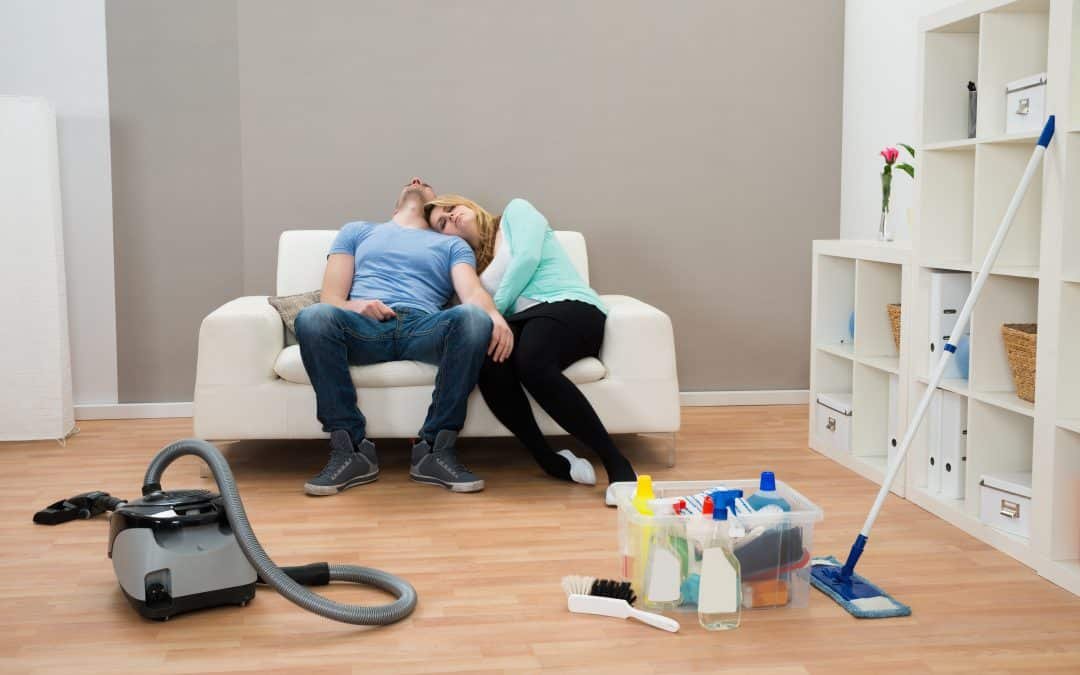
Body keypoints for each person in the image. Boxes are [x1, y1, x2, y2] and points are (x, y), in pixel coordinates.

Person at [294, 178, 514, 496]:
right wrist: (358, 306)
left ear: (434, 206)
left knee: (473, 318)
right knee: (313, 317)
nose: (417, 180)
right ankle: (350, 451)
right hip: (363, 327)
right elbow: (330, 299)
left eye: (427, 184)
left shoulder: (452, 245)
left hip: (421, 327)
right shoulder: (356, 231)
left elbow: (471, 293)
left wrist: (494, 317)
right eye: (412, 181)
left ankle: (435, 451)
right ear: (396, 204)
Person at [425, 195, 637, 496]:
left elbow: (526, 259)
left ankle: (617, 465)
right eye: (442, 222)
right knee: (488, 360)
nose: (452, 216)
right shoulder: (467, 265)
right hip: (523, 321)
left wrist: (494, 312)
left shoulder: (515, 212)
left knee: (532, 361)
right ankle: (546, 457)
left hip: (568, 305)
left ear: (467, 204)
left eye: (451, 208)